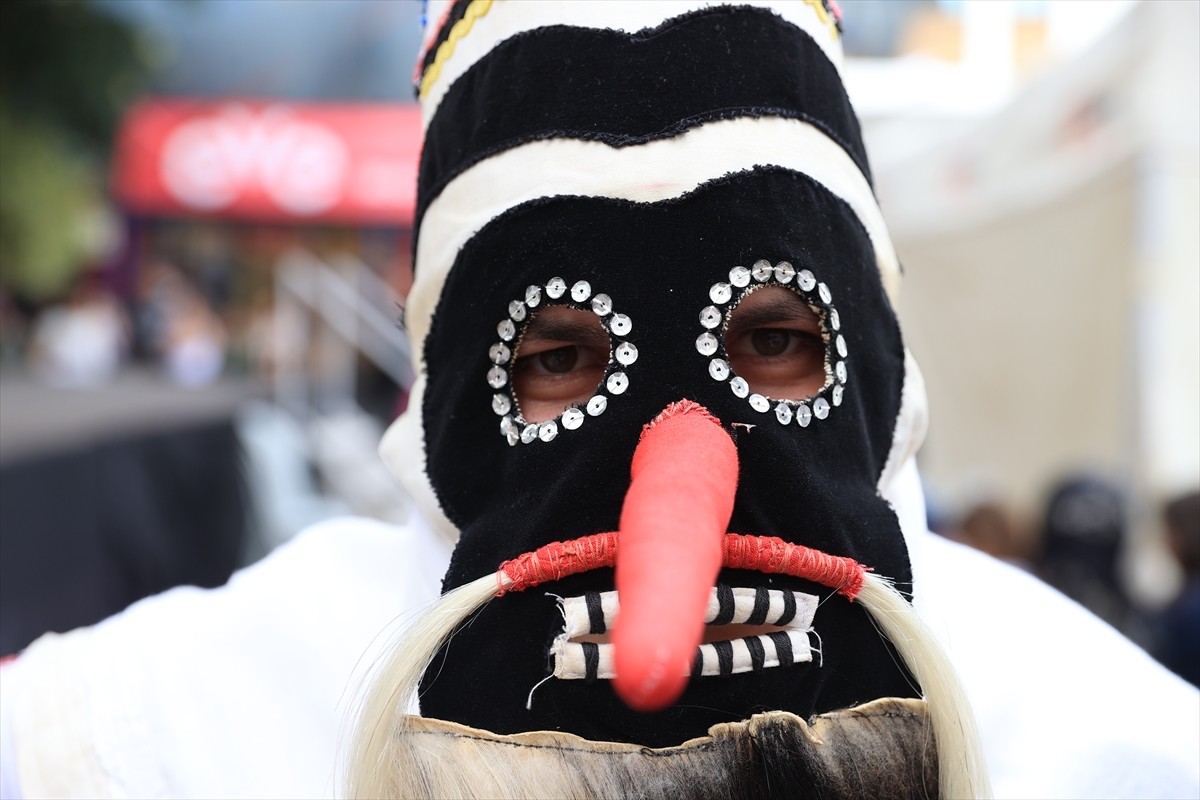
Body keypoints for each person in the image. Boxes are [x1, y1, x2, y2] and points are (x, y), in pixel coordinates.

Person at [2, 3, 1197, 799]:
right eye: (559, 358)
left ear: (880, 363)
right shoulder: (146, 739)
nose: (677, 466)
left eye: (773, 340)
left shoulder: (1114, 747)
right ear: (445, 399)